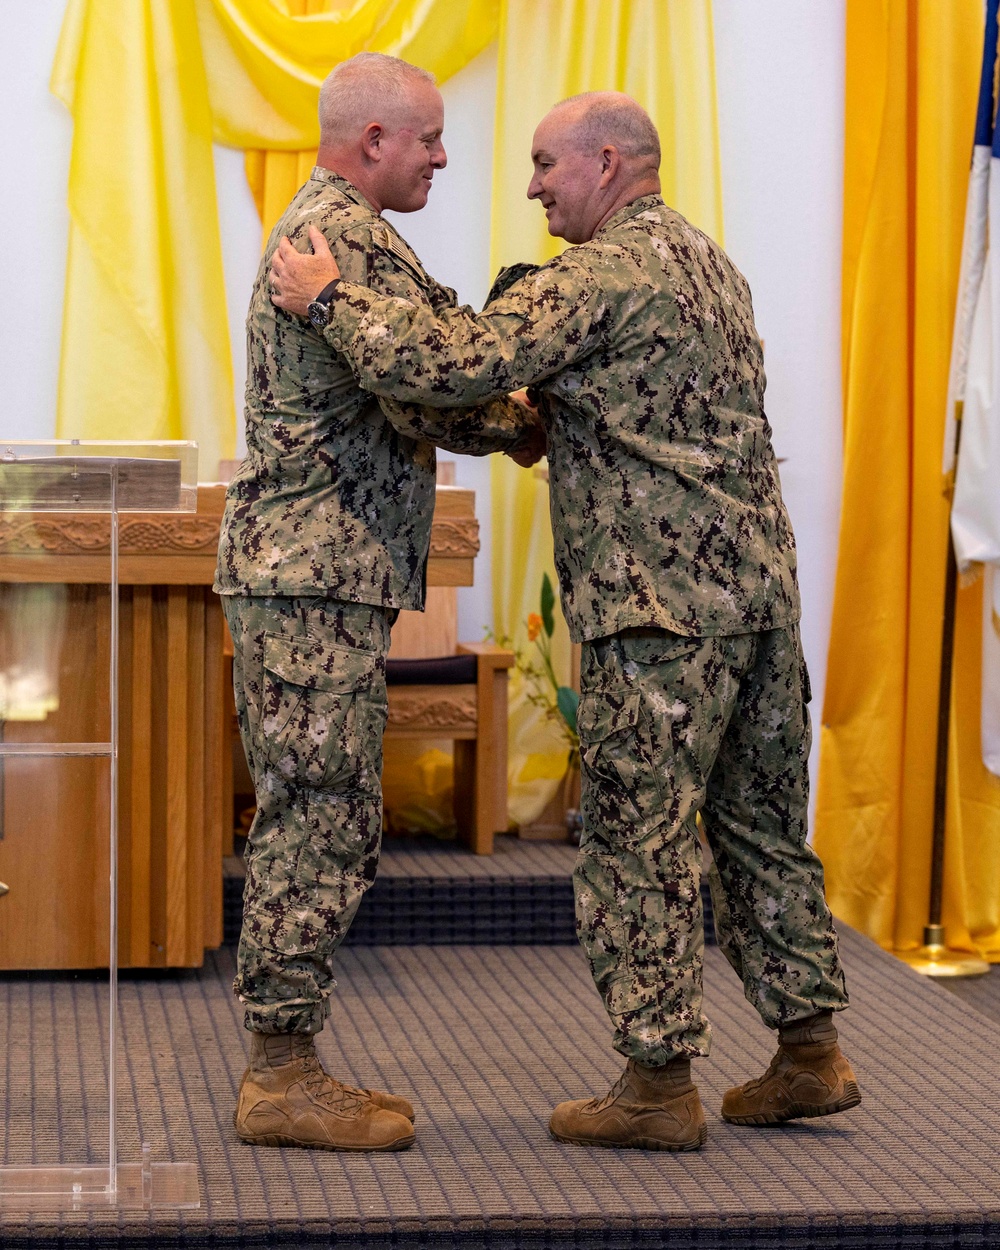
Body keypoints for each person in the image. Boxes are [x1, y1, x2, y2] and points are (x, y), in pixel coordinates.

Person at [269, 90, 859, 1153]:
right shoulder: (706, 262)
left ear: (606, 161)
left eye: (545, 163)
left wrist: (327, 303)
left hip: (656, 607)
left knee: (638, 837)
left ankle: (655, 1081)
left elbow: (448, 366)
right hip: (758, 603)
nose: (531, 183)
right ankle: (809, 1051)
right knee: (758, 824)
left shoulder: (599, 273)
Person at [214, 52, 542, 1154]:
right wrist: (534, 417)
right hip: (308, 577)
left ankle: (288, 1056)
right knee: (319, 816)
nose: (444, 157)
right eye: (430, 139)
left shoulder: (348, 235)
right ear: (372, 145)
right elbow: (432, 374)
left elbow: (422, 383)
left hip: (318, 575)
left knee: (327, 812)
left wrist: (512, 415)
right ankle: (280, 1071)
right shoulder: (340, 239)